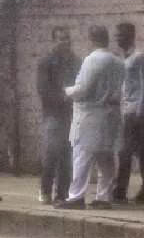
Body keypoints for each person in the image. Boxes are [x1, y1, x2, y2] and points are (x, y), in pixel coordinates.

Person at [56, 24, 125, 209]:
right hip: (111, 114)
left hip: (90, 115)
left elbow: (83, 89)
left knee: (81, 156)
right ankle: (104, 197)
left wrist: (67, 91)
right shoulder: (118, 62)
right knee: (106, 158)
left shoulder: (92, 60)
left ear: (92, 40)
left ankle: (76, 196)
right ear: (106, 39)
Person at [37, 26, 79, 204]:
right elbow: (43, 88)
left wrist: (71, 97)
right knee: (51, 153)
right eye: (61, 38)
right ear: (54, 41)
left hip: (71, 113)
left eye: (67, 38)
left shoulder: (76, 61)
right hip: (53, 113)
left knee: (67, 155)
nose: (65, 42)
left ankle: (61, 193)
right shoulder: (46, 62)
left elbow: (80, 83)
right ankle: (45, 190)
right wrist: (62, 97)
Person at [114, 22, 144, 203]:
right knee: (126, 151)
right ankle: (121, 190)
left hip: (136, 112)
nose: (117, 38)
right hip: (125, 111)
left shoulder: (139, 57)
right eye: (117, 35)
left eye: (121, 35)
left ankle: (122, 190)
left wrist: (140, 111)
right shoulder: (122, 58)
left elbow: (142, 85)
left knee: (137, 152)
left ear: (130, 36)